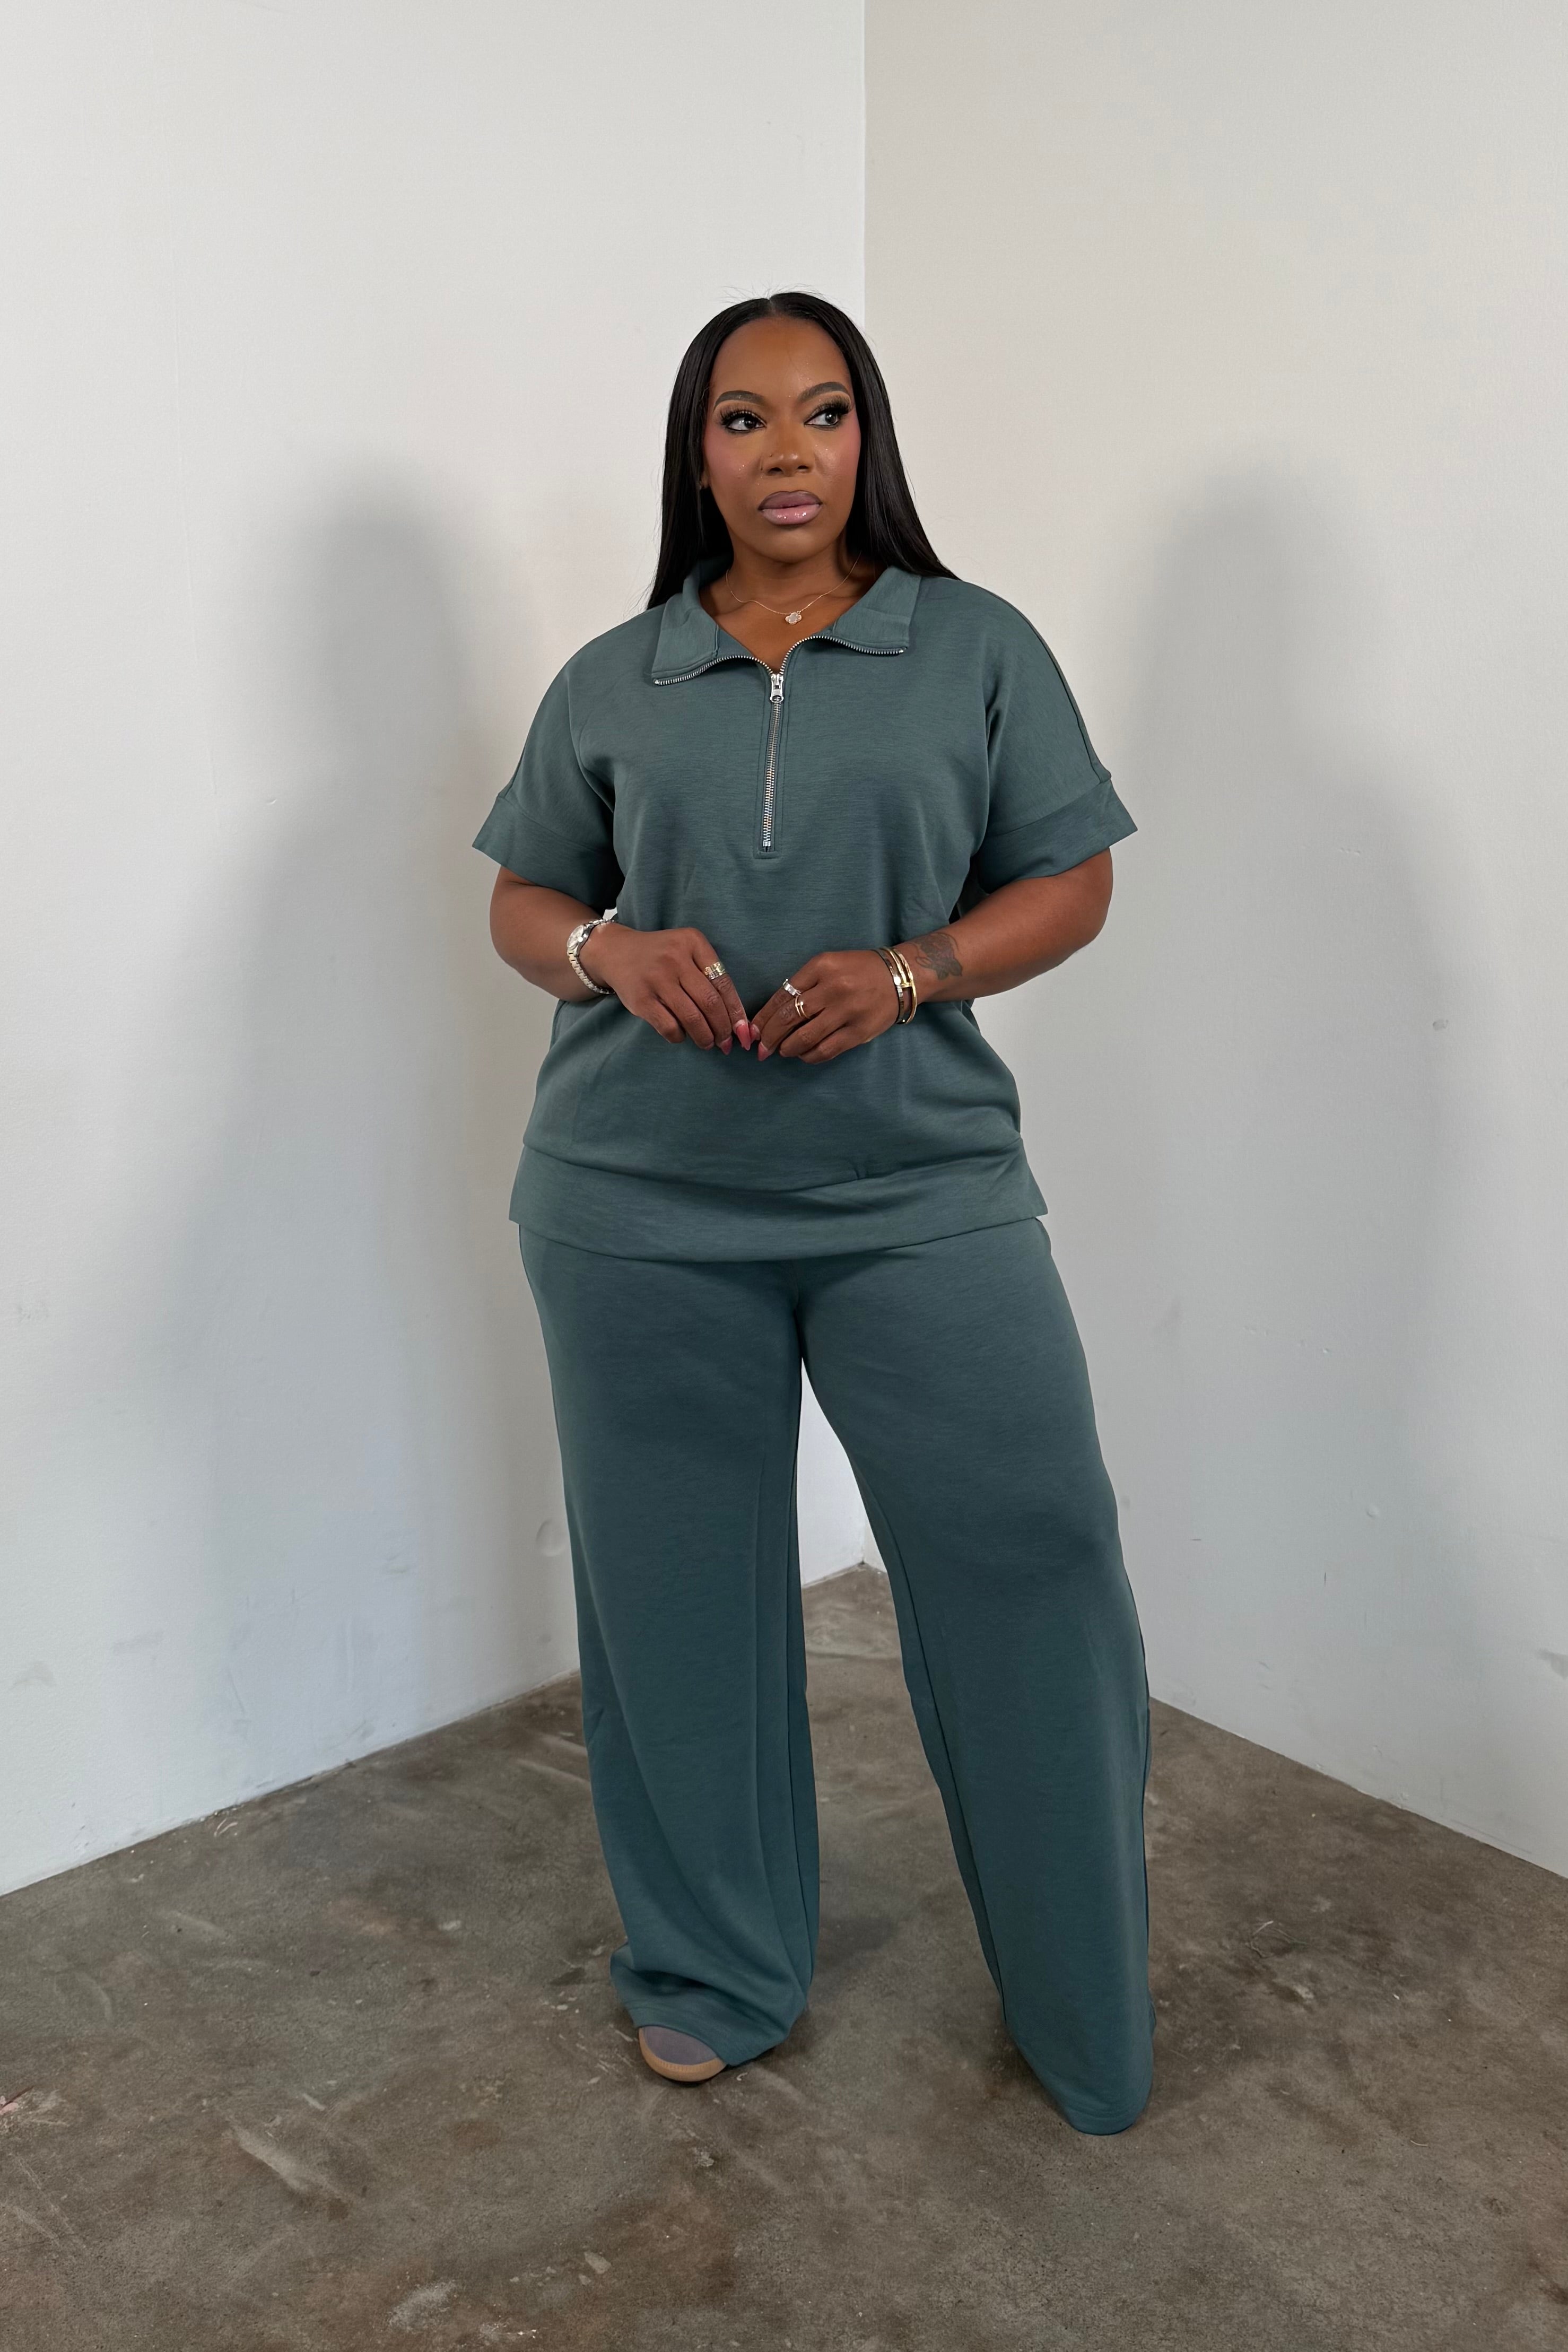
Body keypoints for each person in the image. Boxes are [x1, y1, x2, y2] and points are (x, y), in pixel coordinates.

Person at [475, 292, 1155, 2135]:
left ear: (868, 439)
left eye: (824, 411)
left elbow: (1072, 876)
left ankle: (1085, 1997)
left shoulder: (974, 645)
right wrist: (606, 953)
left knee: (1033, 1561)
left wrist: (916, 970)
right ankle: (713, 1967)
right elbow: (523, 900)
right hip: (630, 1208)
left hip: (920, 1195)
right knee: (675, 1607)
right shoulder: (614, 674)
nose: (787, 449)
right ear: (696, 455)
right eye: (743, 418)